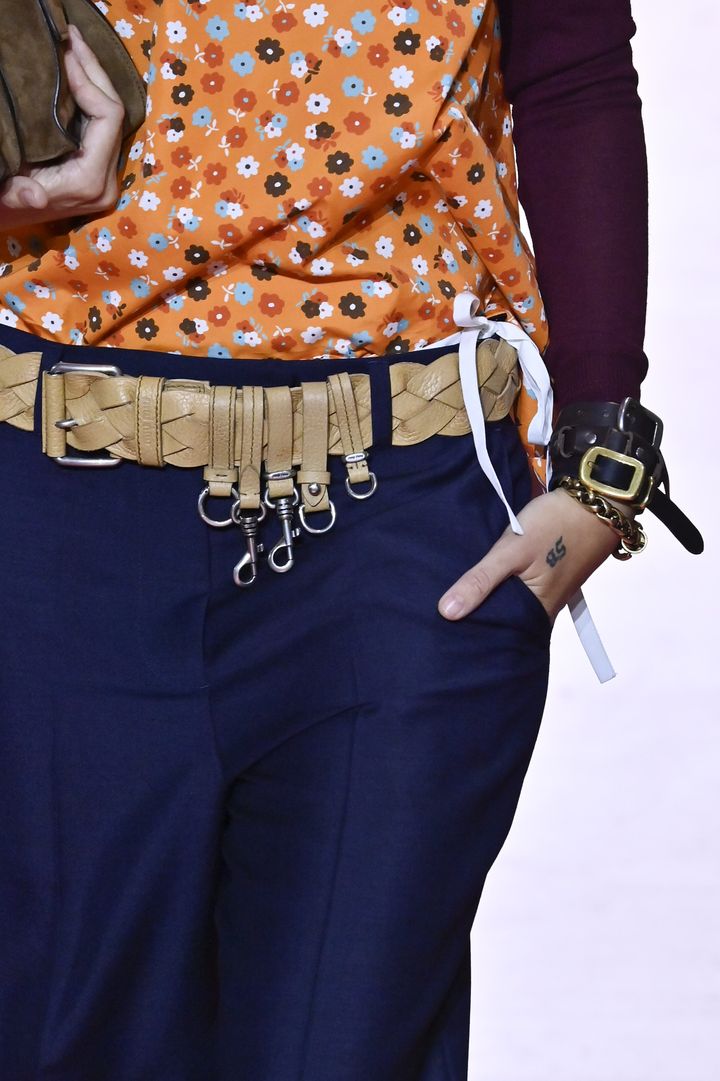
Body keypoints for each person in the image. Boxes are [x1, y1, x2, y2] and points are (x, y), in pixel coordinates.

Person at [0, 2, 685, 1078]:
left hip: (401, 517)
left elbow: (573, 63)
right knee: (63, 1042)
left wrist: (602, 465)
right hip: (55, 501)